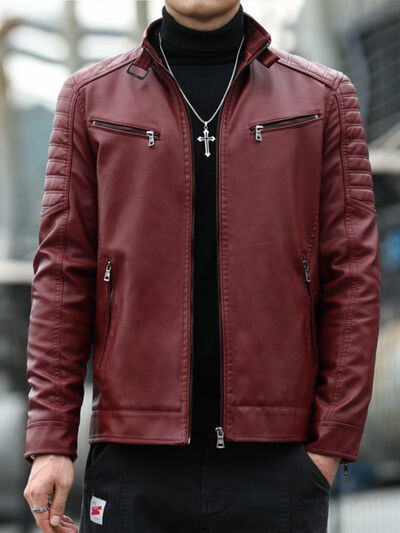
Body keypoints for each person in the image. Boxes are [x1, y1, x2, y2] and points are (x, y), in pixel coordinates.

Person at [22, 1, 381, 532]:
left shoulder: (321, 98)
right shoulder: (90, 97)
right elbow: (62, 277)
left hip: (277, 464)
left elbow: (353, 277)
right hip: (134, 461)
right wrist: (51, 440)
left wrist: (330, 444)